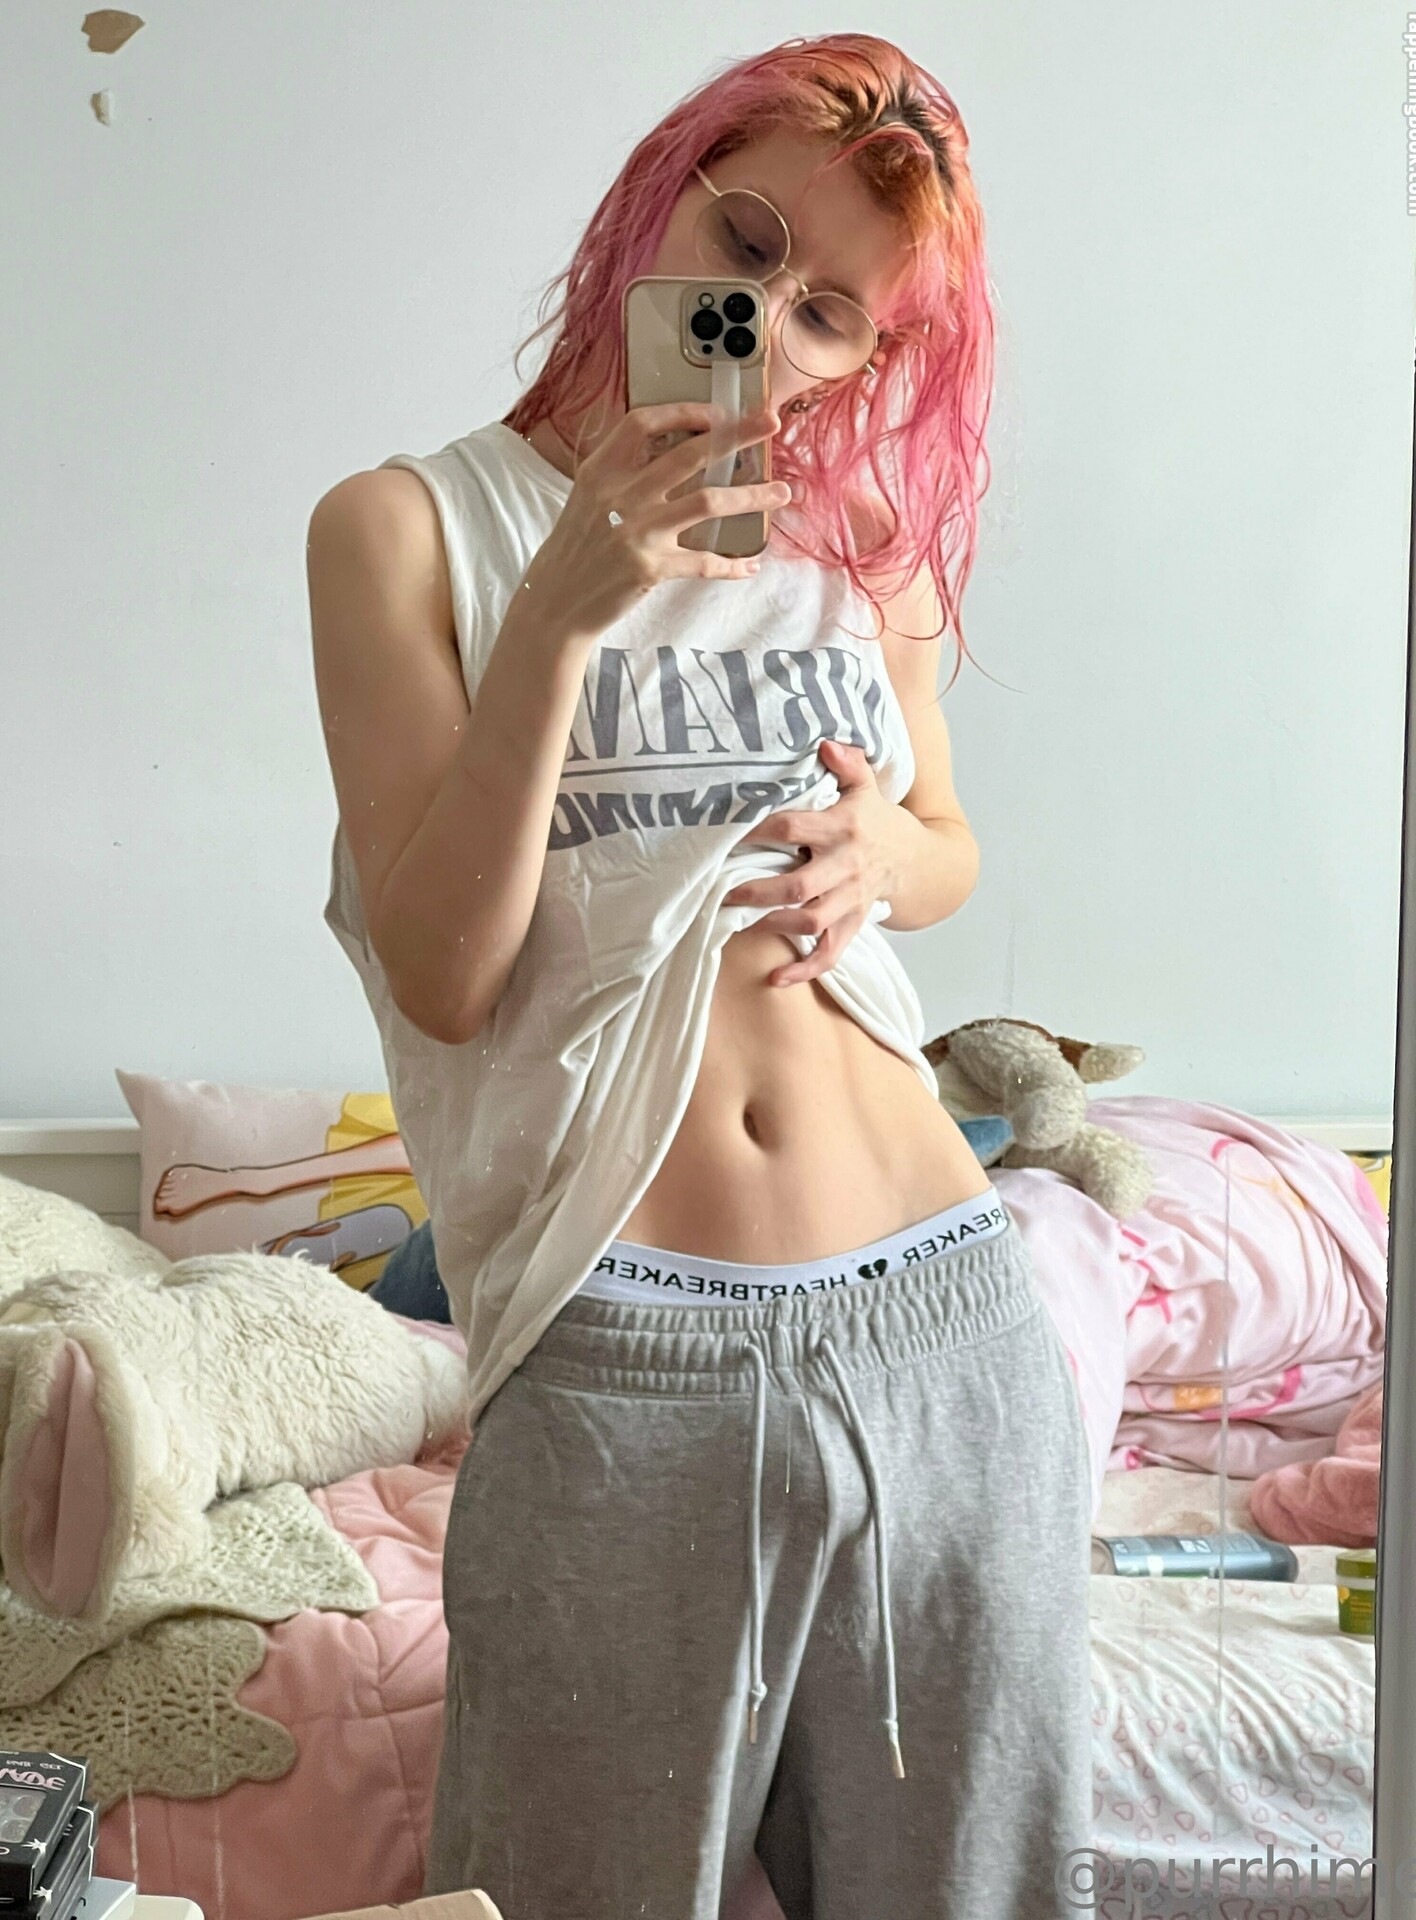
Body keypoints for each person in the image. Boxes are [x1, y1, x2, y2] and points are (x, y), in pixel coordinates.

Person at [308, 32, 1092, 1920]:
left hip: (949, 1321)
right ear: (656, 193)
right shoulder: (407, 529)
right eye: (744, 242)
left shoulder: (868, 551)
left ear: (866, 359)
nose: (764, 318)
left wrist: (887, 857)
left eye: (829, 313)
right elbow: (444, 974)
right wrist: (560, 620)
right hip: (623, 1341)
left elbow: (949, 842)